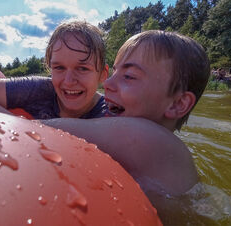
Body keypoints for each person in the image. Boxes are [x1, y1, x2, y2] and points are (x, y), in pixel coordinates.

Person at [41, 30, 210, 201]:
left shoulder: (157, 143)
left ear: (178, 104)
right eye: (114, 73)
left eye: (129, 76)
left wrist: (14, 120)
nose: (106, 83)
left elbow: (46, 129)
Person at [0, 20, 109, 119]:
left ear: (102, 75)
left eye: (83, 68)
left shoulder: (111, 113)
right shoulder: (39, 89)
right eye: (59, 67)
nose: (69, 81)